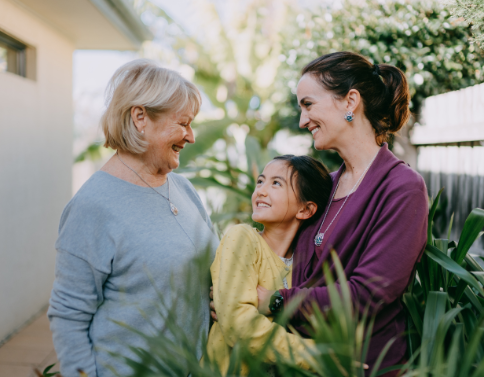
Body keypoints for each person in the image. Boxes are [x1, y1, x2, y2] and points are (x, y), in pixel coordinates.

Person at [256, 51, 429, 375]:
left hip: (361, 365)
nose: (302, 120)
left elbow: (368, 294)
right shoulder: (323, 187)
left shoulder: (402, 188)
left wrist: (275, 301)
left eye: (308, 104)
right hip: (300, 362)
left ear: (350, 101)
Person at [48, 59, 219, 377]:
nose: (191, 136)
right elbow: (68, 314)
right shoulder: (92, 207)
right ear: (140, 117)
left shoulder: (182, 187)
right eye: (183, 123)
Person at [206, 155, 333, 375]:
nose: (261, 191)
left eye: (276, 183)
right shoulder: (243, 238)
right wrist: (317, 355)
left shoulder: (306, 267)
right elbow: (238, 325)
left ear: (305, 209)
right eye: (261, 181)